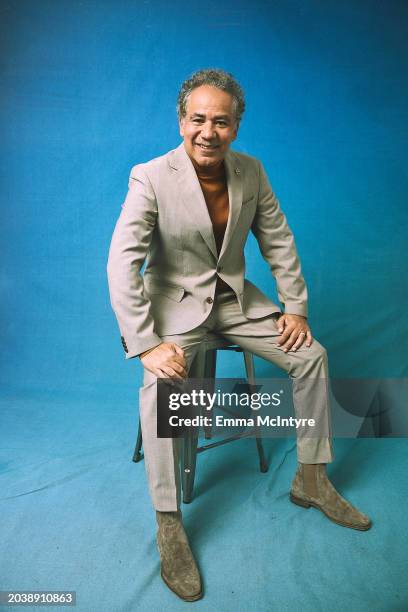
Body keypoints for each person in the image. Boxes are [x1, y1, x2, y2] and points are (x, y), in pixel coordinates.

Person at [107, 68, 371, 602]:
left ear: (236, 126)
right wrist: (147, 343)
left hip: (234, 304)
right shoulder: (151, 176)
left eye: (221, 121)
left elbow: (278, 239)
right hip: (175, 315)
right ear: (182, 121)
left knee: (312, 355)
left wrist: (294, 307)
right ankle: (168, 521)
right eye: (198, 119)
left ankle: (312, 478)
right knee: (162, 393)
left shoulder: (250, 171)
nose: (209, 131)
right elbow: (121, 263)